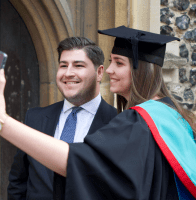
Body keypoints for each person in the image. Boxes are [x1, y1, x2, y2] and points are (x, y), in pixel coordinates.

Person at [0, 26, 196, 200]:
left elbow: (75, 161)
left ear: (141, 70)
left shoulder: (139, 123)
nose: (111, 70)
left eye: (119, 63)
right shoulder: (173, 116)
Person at [6, 37, 117, 199]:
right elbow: (18, 182)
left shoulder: (118, 122)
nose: (68, 73)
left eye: (78, 65)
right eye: (63, 65)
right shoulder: (35, 118)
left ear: (99, 72)